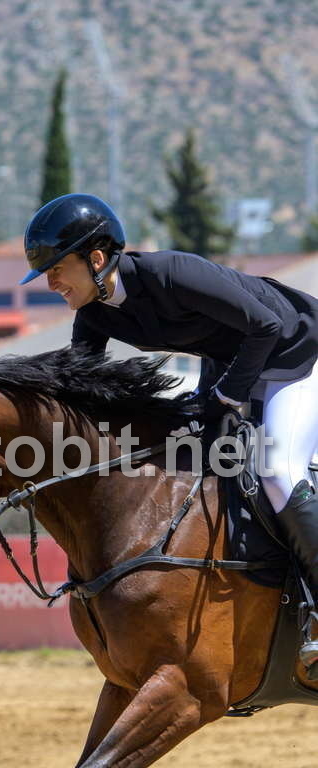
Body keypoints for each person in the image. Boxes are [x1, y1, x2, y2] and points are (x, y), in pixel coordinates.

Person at [20, 192, 318, 672]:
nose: (51, 282)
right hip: (235, 364)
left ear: (96, 259)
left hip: (297, 354)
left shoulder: (172, 273)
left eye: (57, 268)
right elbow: (78, 386)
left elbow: (265, 325)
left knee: (277, 470)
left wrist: (225, 397)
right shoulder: (96, 311)